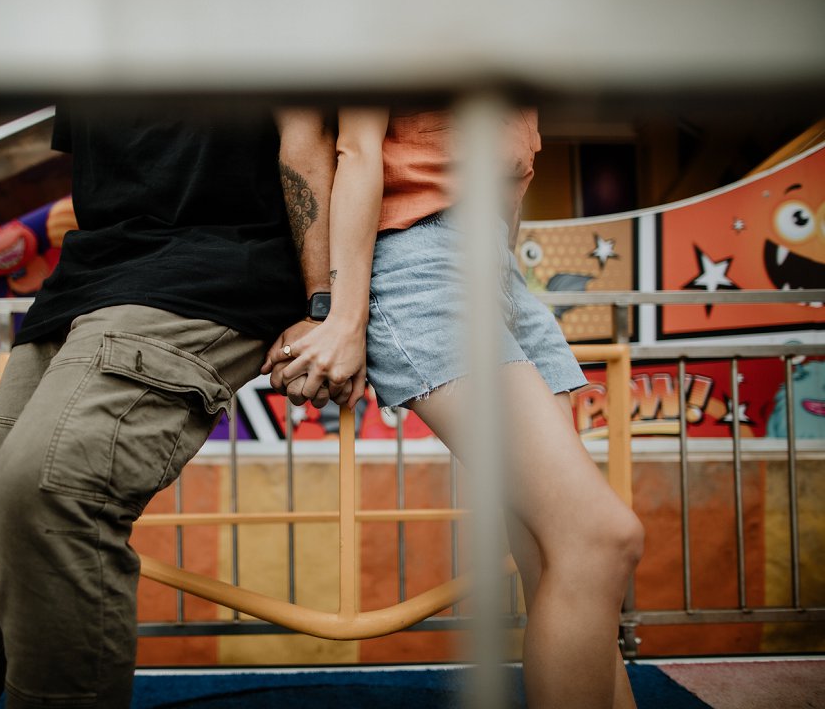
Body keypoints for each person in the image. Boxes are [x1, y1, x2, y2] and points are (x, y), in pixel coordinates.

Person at [0, 104, 337, 709]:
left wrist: (324, 305)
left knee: (50, 489)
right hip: (82, 282)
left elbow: (307, 136)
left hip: (208, 273)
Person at [264, 107, 645, 709]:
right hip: (420, 259)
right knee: (601, 538)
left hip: (497, 270)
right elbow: (356, 150)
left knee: (563, 554)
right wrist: (340, 315)